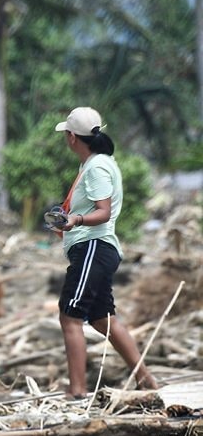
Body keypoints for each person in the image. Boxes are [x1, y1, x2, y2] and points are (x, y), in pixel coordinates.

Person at [53, 107, 158, 398]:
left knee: (69, 315)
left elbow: (103, 212)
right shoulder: (96, 163)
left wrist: (76, 220)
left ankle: (77, 392)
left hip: (93, 246)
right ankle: (146, 379)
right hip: (95, 248)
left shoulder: (97, 166)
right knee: (102, 318)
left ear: (72, 137)